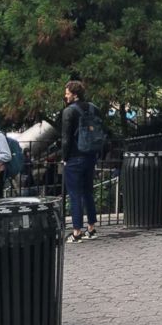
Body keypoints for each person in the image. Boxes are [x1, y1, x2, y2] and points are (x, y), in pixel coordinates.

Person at [62, 80, 98, 243]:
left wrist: (64, 158)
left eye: (67, 93)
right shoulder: (93, 108)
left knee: (74, 194)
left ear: (74, 94)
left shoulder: (69, 111)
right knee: (88, 191)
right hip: (91, 155)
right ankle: (91, 228)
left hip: (75, 157)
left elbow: (66, 138)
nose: (65, 95)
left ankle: (76, 232)